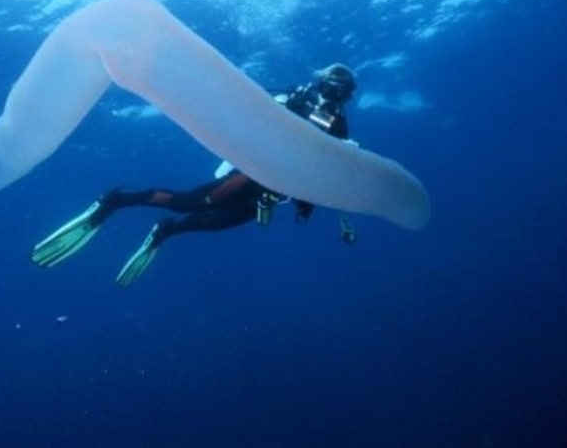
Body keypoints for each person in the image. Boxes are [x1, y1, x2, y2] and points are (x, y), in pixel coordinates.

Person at [31, 63, 359, 286]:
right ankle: (114, 201)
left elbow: (329, 173)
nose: (336, 97)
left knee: (215, 223)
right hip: (248, 175)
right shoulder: (293, 99)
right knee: (187, 202)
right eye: (333, 88)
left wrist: (309, 206)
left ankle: (165, 231)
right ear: (322, 83)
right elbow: (252, 109)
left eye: (343, 93)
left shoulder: (339, 127)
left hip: (271, 196)